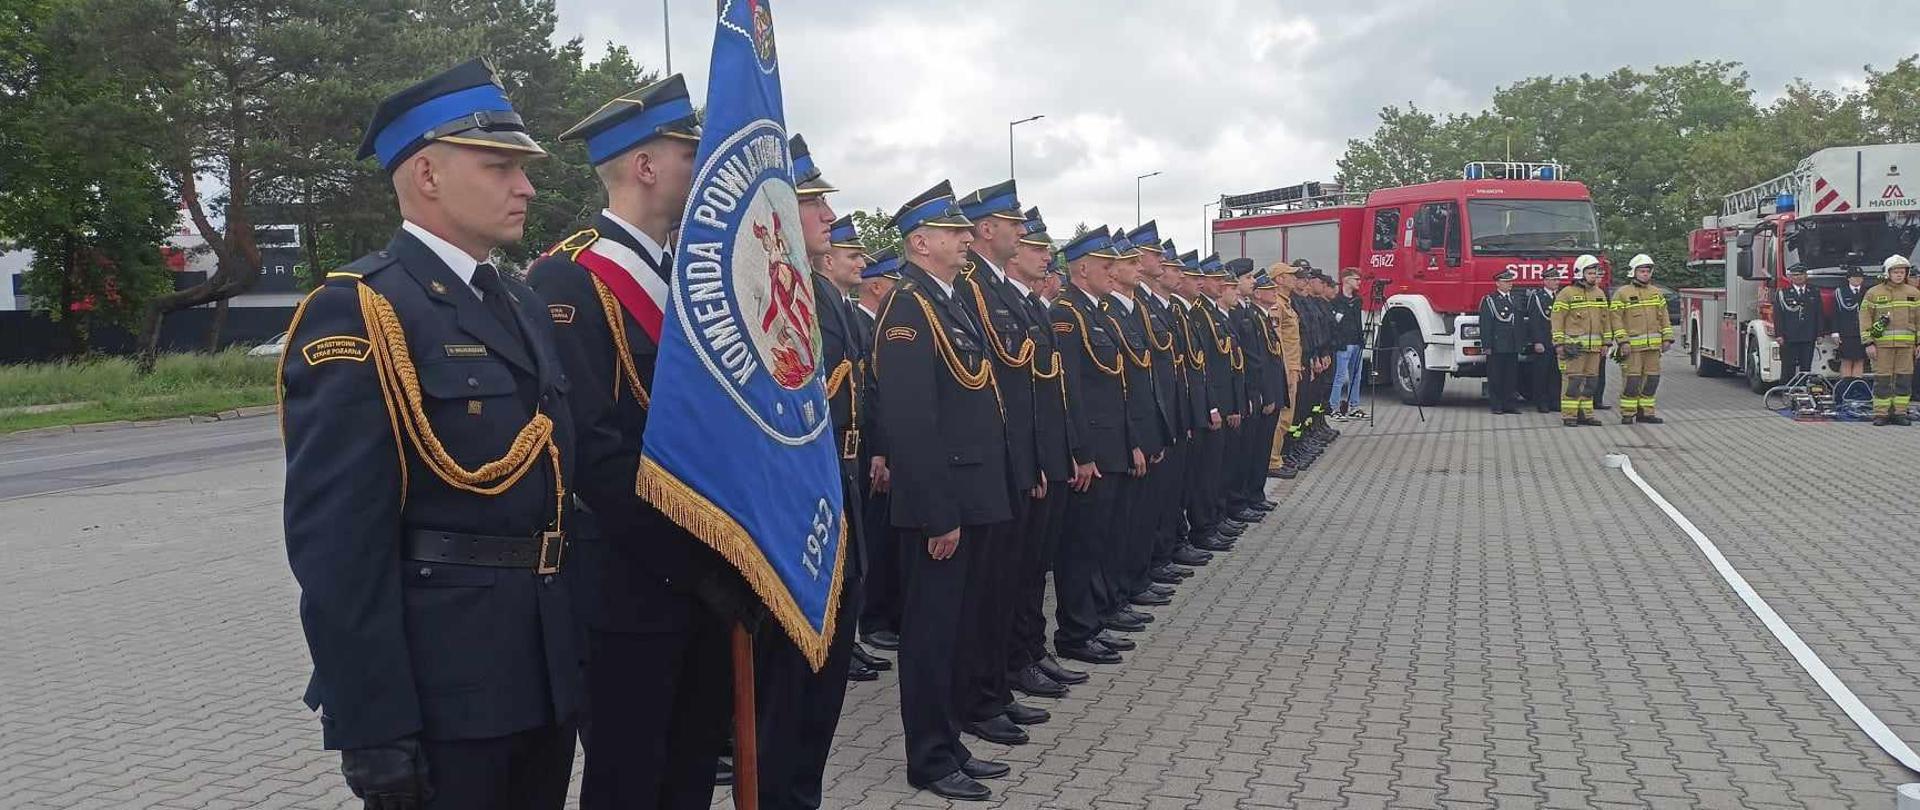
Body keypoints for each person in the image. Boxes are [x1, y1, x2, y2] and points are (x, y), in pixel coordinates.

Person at [280, 59, 582, 810]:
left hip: (539, 672)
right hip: (442, 690)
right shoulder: (363, 311)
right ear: (426, 175)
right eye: (500, 165)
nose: (527, 187)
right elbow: (339, 544)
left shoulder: (517, 300)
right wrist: (371, 724)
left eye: (524, 169)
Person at [527, 75, 753, 810]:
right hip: (628, 582)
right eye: (690, 156)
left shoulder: (691, 275)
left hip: (703, 576)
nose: (703, 170)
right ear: (645, 166)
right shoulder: (571, 276)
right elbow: (592, 451)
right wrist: (693, 557)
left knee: (689, 771)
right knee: (630, 777)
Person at [871, 181, 1013, 801]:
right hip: (941, 504)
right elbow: (911, 421)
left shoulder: (948, 300)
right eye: (954, 233)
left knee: (957, 629)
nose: (965, 241)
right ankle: (927, 758)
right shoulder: (908, 308)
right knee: (930, 637)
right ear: (920, 242)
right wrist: (936, 514)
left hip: (970, 492)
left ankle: (950, 740)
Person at [951, 180, 1047, 746]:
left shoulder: (998, 291)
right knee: (983, 593)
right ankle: (982, 697)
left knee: (1006, 582)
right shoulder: (971, 290)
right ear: (989, 230)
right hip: (985, 462)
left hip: (1009, 456)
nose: (1021, 232)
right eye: (1012, 224)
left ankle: (996, 688)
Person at [1004, 208, 1088, 698]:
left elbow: (1054, 392)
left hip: (1048, 456)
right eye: (1037, 248)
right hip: (1027, 462)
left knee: (1034, 569)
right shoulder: (998, 305)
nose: (1046, 256)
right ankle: (1017, 661)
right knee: (1017, 575)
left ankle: (1032, 652)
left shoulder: (1035, 308)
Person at [1050, 228, 1134, 666]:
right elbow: (1071, 392)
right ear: (1082, 269)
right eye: (1106, 266)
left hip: (1111, 443)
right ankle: (1077, 631)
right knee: (1080, 545)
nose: (1113, 272)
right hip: (1092, 449)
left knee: (1099, 539)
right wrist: (1081, 452)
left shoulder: (1096, 312)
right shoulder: (1068, 314)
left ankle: (1095, 618)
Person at [855, 250, 902, 653]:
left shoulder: (876, 326)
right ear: (877, 285)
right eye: (892, 282)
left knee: (881, 538)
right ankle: (871, 619)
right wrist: (880, 452)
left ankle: (882, 613)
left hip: (878, 447)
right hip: (863, 449)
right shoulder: (859, 323)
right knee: (869, 539)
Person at [1608, 254, 1673, 424]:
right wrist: (1622, 341)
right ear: (1633, 272)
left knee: (1652, 379)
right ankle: (1628, 413)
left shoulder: (1656, 293)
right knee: (1632, 380)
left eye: (1647, 271)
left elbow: (1664, 317)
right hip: (1632, 348)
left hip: (1653, 348)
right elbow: (1615, 319)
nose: (1645, 274)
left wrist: (1667, 338)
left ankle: (1646, 413)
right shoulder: (1622, 293)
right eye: (1642, 271)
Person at [1861, 254, 1920, 426]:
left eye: (1902, 272)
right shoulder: (1873, 293)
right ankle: (1881, 414)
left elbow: (1919, 319)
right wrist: (1868, 342)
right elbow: (1865, 318)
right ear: (1887, 273)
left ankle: (1900, 413)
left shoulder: (1914, 293)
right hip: (1882, 346)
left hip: (1907, 346)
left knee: (1904, 379)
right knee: (1883, 380)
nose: (1900, 275)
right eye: (1896, 272)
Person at [1552, 255, 1610, 427]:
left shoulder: (1599, 294)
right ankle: (1569, 415)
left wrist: (1606, 343)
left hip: (1594, 349)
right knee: (1573, 382)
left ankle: (1587, 414)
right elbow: (1557, 319)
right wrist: (1559, 343)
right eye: (1590, 273)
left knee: (1591, 383)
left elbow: (1605, 320)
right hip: (1573, 348)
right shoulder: (1567, 294)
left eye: (1595, 273)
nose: (1594, 276)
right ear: (1579, 273)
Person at [1477, 269, 1525, 414]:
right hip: (1497, 345)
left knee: (1511, 376)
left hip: (1512, 344)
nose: (1510, 284)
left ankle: (1509, 404)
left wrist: (1520, 343)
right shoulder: (1490, 300)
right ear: (1498, 283)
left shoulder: (1515, 299)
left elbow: (1519, 323)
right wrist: (1487, 345)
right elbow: (1485, 324)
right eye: (1506, 282)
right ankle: (1496, 405)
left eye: (1511, 281)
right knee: (1496, 376)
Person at [1524, 268, 1563, 412]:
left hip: (1557, 340)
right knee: (1541, 373)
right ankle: (1541, 402)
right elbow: (1534, 321)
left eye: (1557, 279)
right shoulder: (1537, 297)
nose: (1556, 282)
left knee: (1556, 372)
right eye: (1553, 280)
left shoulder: (1559, 296)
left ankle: (1555, 401)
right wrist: (1537, 341)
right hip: (1544, 340)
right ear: (1545, 281)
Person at [1329, 269, 1366, 419]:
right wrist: (1338, 341)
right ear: (1346, 280)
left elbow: (1358, 321)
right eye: (1356, 279)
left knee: (1356, 375)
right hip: (1343, 344)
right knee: (1339, 376)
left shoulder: (1357, 300)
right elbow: (1334, 323)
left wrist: (1361, 338)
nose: (1359, 282)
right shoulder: (1336, 300)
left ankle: (1354, 405)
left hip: (1356, 342)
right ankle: (1334, 407)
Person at [1774, 264, 1821, 379]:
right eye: (1795, 275)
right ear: (1790, 277)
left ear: (1806, 276)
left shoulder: (1814, 291)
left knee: (1806, 367)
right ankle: (1786, 390)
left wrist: (1820, 333)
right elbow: (1778, 315)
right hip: (1789, 336)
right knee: (1788, 366)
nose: (1798, 277)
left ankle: (1803, 389)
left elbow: (1819, 314)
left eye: (1801, 274)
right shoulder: (1783, 293)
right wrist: (1779, 334)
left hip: (1808, 335)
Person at [1833, 265, 1870, 390]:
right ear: (1848, 278)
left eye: (1860, 277)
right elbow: (1835, 313)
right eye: (1854, 277)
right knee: (1847, 360)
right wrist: (1835, 332)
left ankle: (1856, 389)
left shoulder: (1868, 292)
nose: (1857, 279)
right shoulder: (1840, 292)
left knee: (1860, 360)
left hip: (1863, 332)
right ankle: (1845, 388)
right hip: (1846, 332)